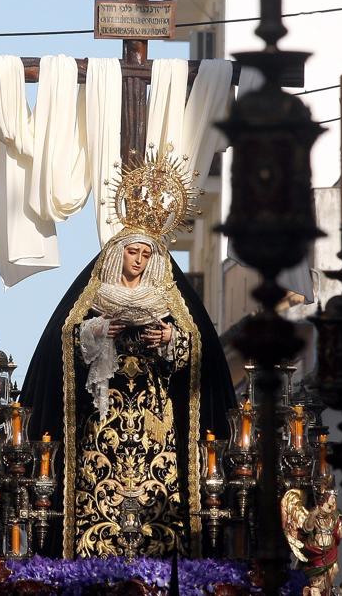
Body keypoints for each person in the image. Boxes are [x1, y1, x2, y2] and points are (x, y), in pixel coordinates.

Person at [20, 154, 235, 558]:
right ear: (119, 254)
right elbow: (61, 344)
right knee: (97, 501)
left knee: (160, 512)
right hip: (103, 423)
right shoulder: (94, 297)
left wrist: (172, 337)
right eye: (133, 252)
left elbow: (199, 350)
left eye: (146, 254)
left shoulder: (169, 298)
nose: (139, 260)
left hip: (157, 428)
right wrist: (96, 332)